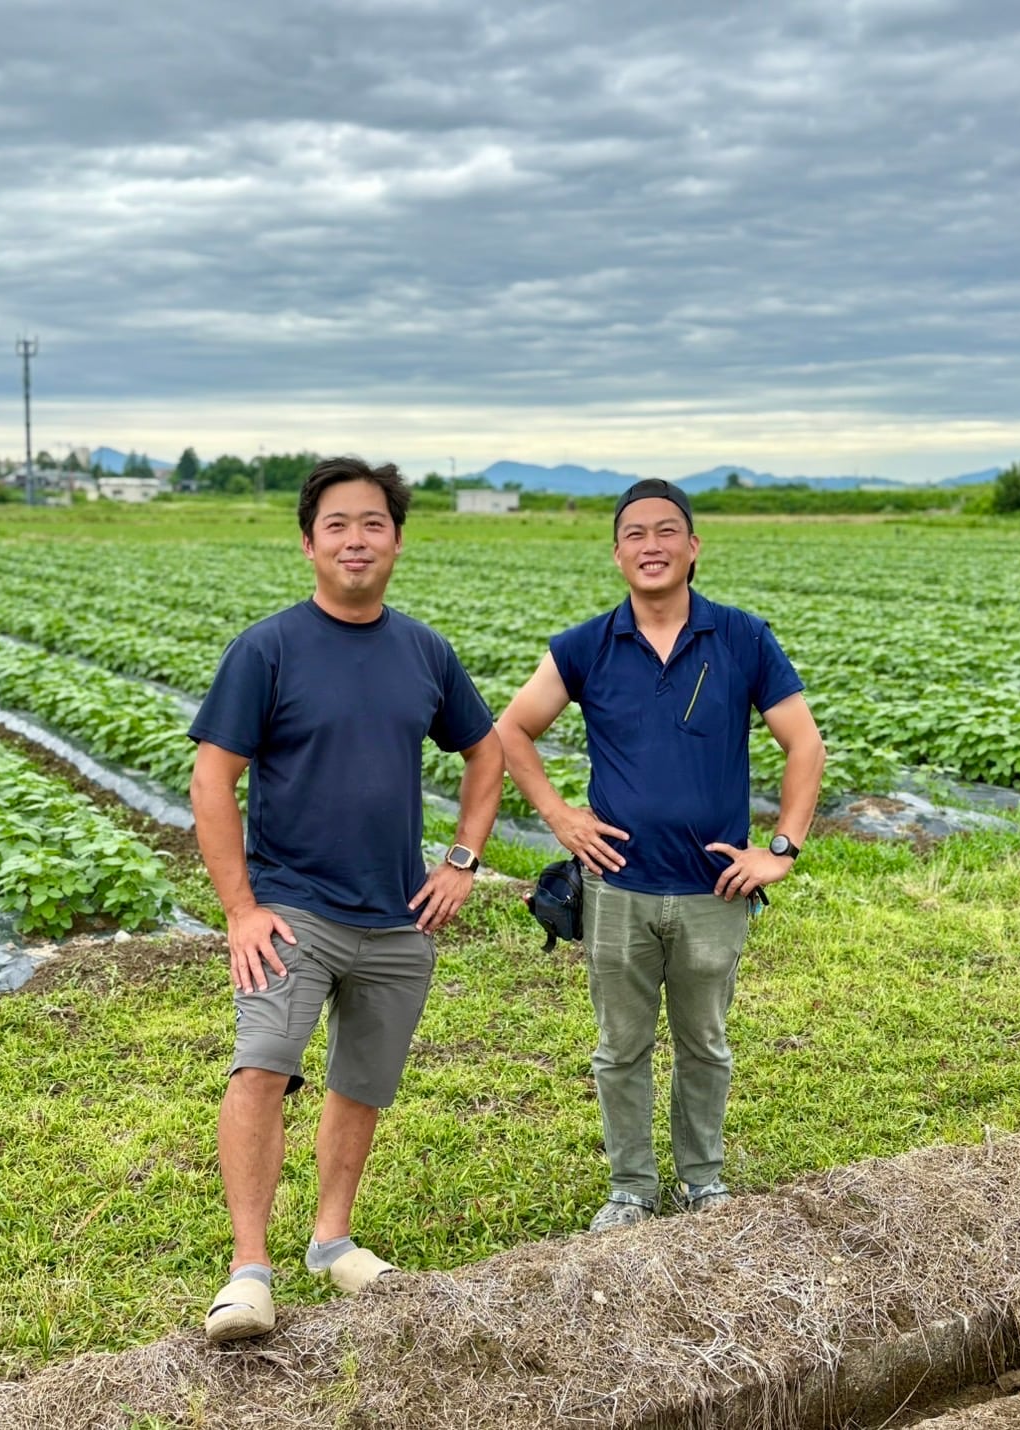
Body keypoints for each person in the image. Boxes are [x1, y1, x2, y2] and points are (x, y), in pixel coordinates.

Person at [189, 456, 503, 1342]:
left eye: (373, 523)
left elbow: (485, 753)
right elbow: (212, 780)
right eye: (337, 525)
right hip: (295, 910)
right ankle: (249, 1270)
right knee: (262, 1068)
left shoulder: (423, 650)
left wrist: (462, 860)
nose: (355, 540)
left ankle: (331, 1242)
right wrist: (242, 907)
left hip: (399, 915)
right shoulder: (270, 647)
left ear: (397, 540)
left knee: (361, 1083)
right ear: (308, 543)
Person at [496, 478, 825, 1231]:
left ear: (693, 547)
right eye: (636, 534)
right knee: (621, 1046)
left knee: (705, 1042)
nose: (652, 545)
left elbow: (804, 743)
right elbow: (513, 731)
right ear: (617, 554)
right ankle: (630, 1189)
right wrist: (561, 816)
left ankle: (702, 1180)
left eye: (667, 531)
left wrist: (781, 849)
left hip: (717, 889)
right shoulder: (585, 645)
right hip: (618, 889)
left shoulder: (742, 637)